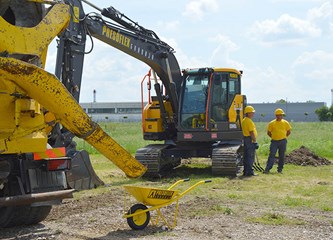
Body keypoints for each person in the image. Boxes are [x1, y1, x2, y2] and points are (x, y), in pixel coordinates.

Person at [264, 108, 292, 174]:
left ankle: (280, 170)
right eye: (279, 115)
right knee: (272, 155)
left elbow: (289, 131)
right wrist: (274, 137)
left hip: (283, 141)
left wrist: (283, 137)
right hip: (274, 142)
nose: (280, 116)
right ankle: (267, 169)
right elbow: (269, 132)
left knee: (281, 156)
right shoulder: (272, 123)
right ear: (276, 115)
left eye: (281, 115)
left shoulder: (285, 123)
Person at [241, 106, 258, 176]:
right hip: (249, 139)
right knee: (250, 156)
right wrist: (255, 141)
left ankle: (246, 171)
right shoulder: (249, 121)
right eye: (252, 112)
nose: (253, 114)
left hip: (245, 139)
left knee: (246, 156)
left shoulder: (244, 120)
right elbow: (251, 132)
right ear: (248, 113)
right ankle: (250, 172)